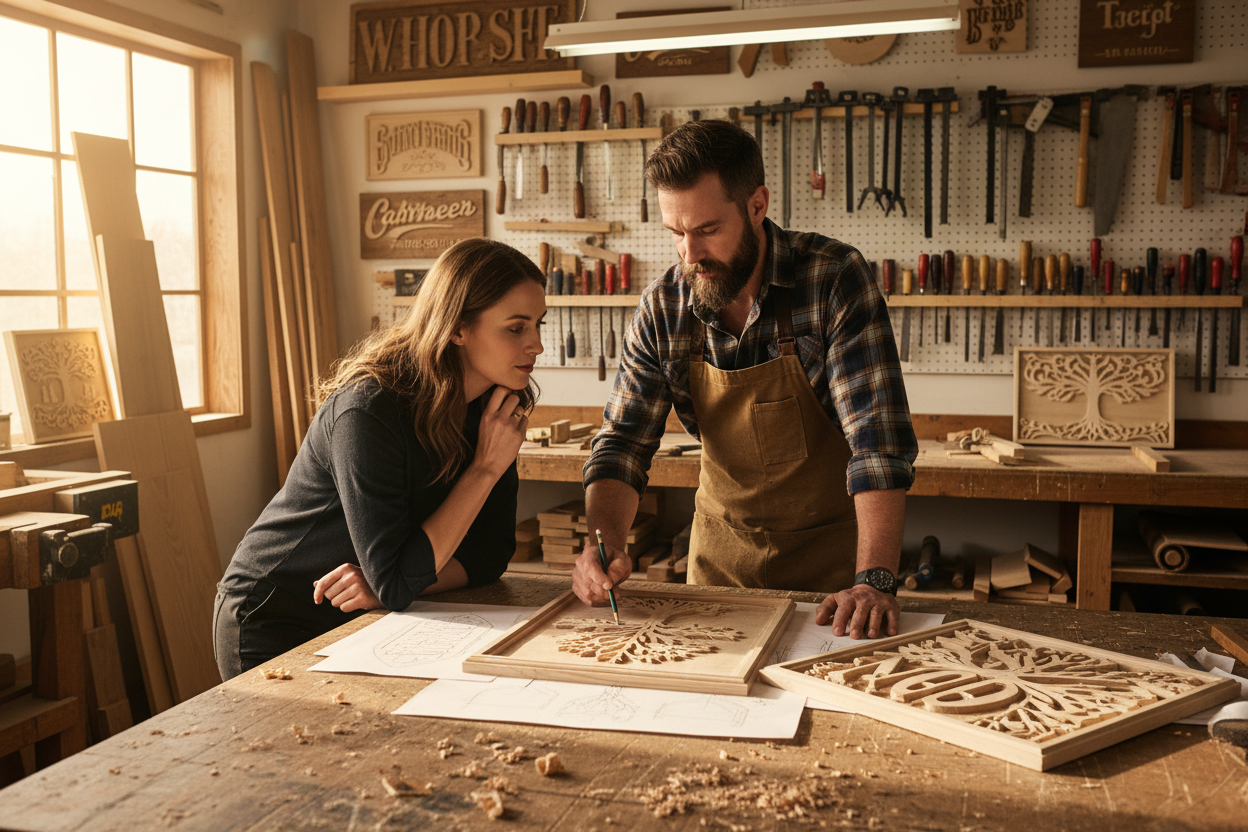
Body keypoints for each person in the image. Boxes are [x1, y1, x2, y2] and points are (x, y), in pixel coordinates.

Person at [573, 119, 918, 640]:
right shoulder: (664, 307)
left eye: (707, 230)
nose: (689, 254)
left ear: (757, 205)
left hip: (834, 581)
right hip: (721, 566)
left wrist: (874, 580)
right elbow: (623, 443)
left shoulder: (832, 279)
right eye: (676, 233)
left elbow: (878, 445)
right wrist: (603, 546)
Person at [214, 238, 546, 680]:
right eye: (516, 328)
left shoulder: (494, 409)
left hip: (370, 614)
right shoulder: (369, 409)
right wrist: (484, 469)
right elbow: (397, 581)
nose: (537, 345)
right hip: (275, 616)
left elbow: (490, 554)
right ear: (457, 328)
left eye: (539, 324)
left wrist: (400, 582)